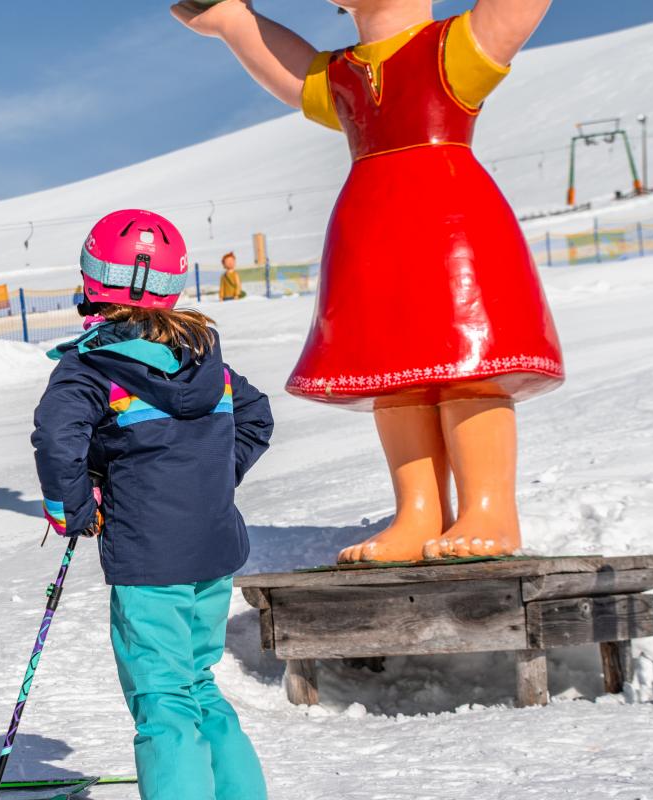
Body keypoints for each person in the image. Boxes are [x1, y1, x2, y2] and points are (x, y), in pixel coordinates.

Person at [173, 0, 562, 564]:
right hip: (374, 233)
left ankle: (489, 509)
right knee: (394, 376)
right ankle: (419, 513)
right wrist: (233, 19)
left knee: (469, 369)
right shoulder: (344, 73)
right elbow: (297, 72)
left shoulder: (453, 50)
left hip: (452, 225)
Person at [32, 209, 275, 800]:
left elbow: (56, 436)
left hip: (151, 560)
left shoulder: (90, 365)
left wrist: (74, 510)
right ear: (174, 282)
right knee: (197, 681)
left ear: (91, 278)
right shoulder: (202, 355)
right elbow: (256, 414)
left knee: (163, 697)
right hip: (213, 549)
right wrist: (211, 480)